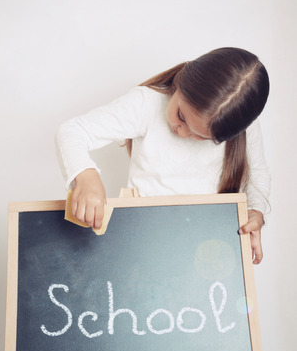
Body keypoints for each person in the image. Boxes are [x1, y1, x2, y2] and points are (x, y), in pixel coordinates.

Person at [55, 47, 270, 264]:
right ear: (182, 83)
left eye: (201, 137)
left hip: (207, 245)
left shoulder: (243, 128)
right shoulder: (147, 104)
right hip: (144, 241)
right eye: (181, 116)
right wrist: (86, 176)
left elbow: (257, 173)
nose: (183, 133)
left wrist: (256, 211)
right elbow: (72, 131)